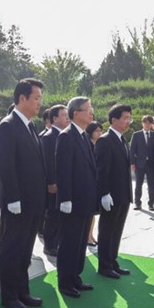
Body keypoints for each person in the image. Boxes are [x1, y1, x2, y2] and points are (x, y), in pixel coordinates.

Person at [0, 78, 47, 308]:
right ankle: (9, 296)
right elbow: (6, 165)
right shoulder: (8, 125)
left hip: (33, 201)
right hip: (18, 202)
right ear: (22, 98)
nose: (40, 103)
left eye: (40, 98)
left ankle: (22, 290)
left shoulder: (29, 125)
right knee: (12, 249)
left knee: (26, 249)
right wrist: (13, 198)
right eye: (36, 98)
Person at [55, 97, 97, 297]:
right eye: (87, 109)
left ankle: (75, 277)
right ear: (76, 113)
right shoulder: (66, 136)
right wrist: (65, 199)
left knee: (80, 242)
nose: (91, 112)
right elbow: (63, 170)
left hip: (85, 200)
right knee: (69, 242)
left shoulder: (83, 136)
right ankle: (65, 282)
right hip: (72, 201)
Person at [95, 104, 133, 280]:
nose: (128, 122)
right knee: (107, 230)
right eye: (125, 118)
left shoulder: (122, 140)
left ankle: (112, 260)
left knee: (117, 230)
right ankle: (104, 265)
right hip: (111, 195)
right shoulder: (105, 140)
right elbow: (101, 170)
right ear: (114, 120)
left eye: (129, 118)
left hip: (123, 194)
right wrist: (104, 193)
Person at [41, 105, 69, 257]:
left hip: (65, 182)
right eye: (63, 115)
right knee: (53, 214)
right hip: (55, 183)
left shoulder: (65, 134)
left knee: (61, 215)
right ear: (55, 118)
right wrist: (51, 182)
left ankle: (58, 242)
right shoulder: (49, 136)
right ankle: (49, 245)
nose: (67, 117)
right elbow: (49, 161)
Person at [130, 115, 154, 211]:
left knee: (151, 185)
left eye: (149, 123)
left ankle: (151, 204)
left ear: (151, 124)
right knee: (138, 184)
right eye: (145, 122)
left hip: (151, 164)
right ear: (142, 123)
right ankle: (137, 203)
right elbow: (132, 150)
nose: (147, 124)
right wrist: (132, 163)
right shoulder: (136, 135)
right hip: (139, 164)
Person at [85, 121, 103, 246]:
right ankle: (87, 237)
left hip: (97, 180)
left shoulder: (100, 144)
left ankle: (90, 235)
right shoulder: (87, 144)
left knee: (94, 212)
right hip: (89, 180)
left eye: (101, 130)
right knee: (90, 212)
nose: (99, 133)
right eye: (97, 131)